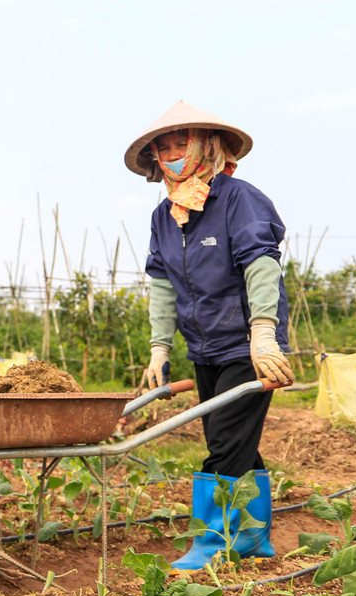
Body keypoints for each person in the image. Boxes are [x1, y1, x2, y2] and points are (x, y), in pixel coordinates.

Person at [126, 100, 294, 571]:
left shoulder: (240, 199)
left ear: (207, 146)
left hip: (246, 345)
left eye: (182, 143)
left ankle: (215, 543)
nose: (173, 154)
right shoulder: (165, 217)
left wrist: (264, 332)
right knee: (237, 441)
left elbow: (262, 265)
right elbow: (161, 286)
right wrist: (160, 348)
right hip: (204, 347)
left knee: (223, 442)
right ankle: (254, 537)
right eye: (164, 148)